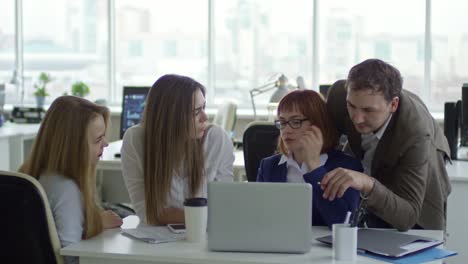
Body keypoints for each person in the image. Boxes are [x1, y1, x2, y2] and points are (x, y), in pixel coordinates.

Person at [323, 58, 451, 231]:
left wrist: (367, 183)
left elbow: (408, 217)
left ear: (393, 104)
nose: (357, 118)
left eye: (368, 110)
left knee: (418, 231)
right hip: (373, 164)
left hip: (420, 173)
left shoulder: (415, 133)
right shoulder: (339, 96)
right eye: (352, 106)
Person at [19, 96, 122, 264]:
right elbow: (71, 257)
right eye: (98, 139)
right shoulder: (66, 189)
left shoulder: (32, 174)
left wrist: (93, 223)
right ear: (74, 147)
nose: (106, 144)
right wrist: (96, 224)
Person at [121, 74, 234, 225]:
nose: (205, 117)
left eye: (204, 108)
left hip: (205, 238)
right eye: (196, 112)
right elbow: (147, 213)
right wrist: (204, 215)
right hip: (155, 241)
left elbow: (225, 209)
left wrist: (171, 215)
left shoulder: (217, 139)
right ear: (171, 117)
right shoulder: (136, 140)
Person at [256, 89, 363, 228]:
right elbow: (259, 217)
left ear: (318, 125)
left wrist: (314, 168)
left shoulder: (347, 166)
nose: (286, 130)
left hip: (325, 248)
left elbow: (344, 222)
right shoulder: (269, 166)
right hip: (278, 245)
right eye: (282, 122)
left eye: (296, 121)